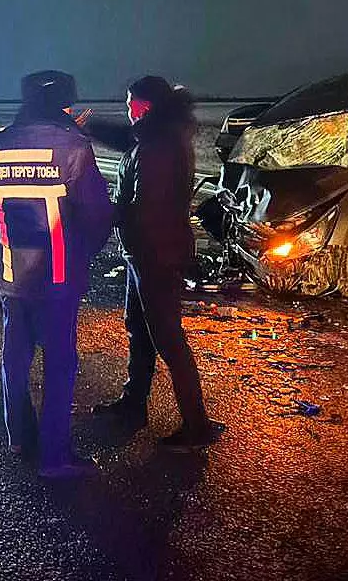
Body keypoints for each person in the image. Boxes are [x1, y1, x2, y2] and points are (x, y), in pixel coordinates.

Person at [0, 70, 113, 478]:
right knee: (60, 362)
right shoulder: (75, 148)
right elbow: (98, 216)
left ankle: (18, 435)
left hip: (10, 273)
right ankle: (55, 456)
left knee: (14, 355)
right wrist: (83, 254)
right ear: (65, 106)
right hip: (59, 276)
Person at [92, 76, 223, 449]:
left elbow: (145, 208)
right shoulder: (151, 136)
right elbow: (124, 140)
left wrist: (102, 211)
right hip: (143, 252)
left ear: (147, 105)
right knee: (139, 329)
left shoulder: (160, 145)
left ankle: (197, 426)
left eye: (131, 103)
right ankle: (134, 405)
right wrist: (86, 126)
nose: (127, 110)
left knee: (168, 338)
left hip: (158, 254)